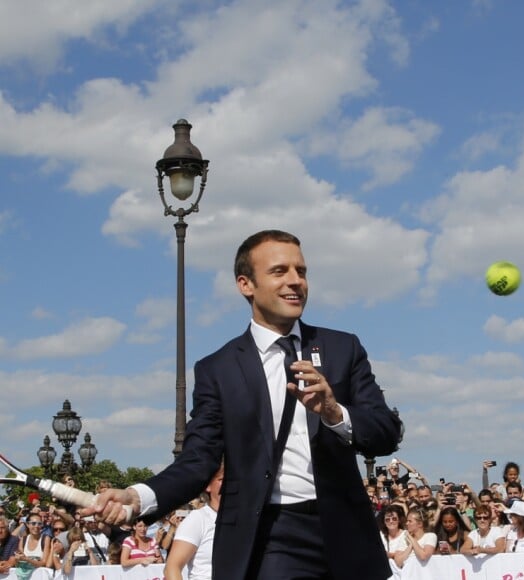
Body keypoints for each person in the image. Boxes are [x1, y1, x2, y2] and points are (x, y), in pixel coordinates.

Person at [88, 229, 404, 580]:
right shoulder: (218, 370)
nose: (295, 281)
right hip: (271, 538)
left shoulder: (342, 348)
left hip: (348, 533)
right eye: (279, 271)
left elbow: (386, 433)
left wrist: (335, 412)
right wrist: (137, 496)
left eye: (301, 271)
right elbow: (198, 459)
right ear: (245, 284)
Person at [164, 465, 224, 580]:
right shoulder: (198, 519)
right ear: (208, 485)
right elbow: (172, 568)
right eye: (221, 480)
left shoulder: (247, 519)